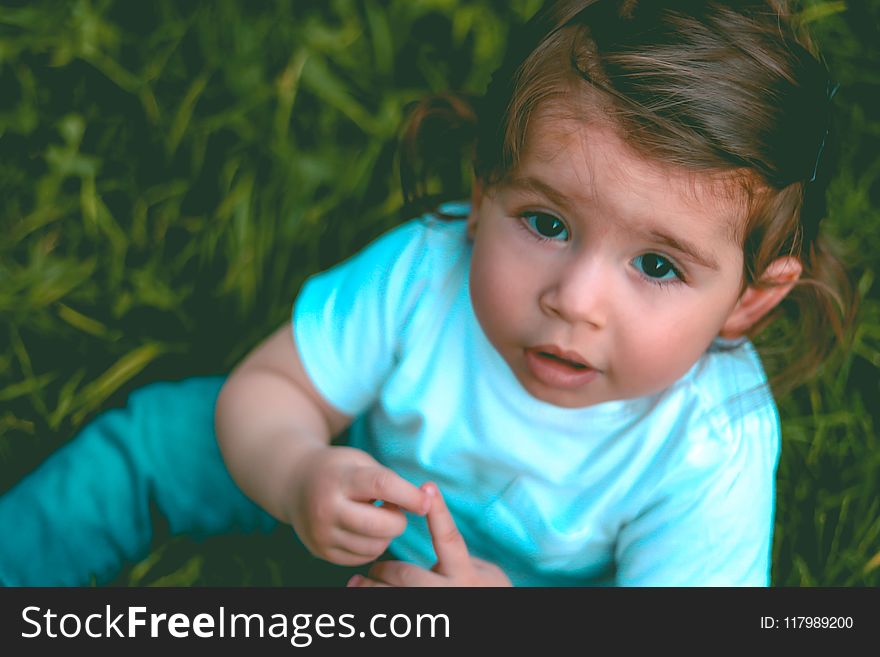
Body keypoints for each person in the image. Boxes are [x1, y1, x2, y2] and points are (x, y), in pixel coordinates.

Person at [0, 0, 850, 587]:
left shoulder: (709, 445)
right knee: (165, 439)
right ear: (484, 193)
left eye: (657, 266)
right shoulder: (427, 270)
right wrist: (296, 471)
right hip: (360, 477)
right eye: (547, 222)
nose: (575, 299)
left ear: (748, 302)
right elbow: (274, 388)